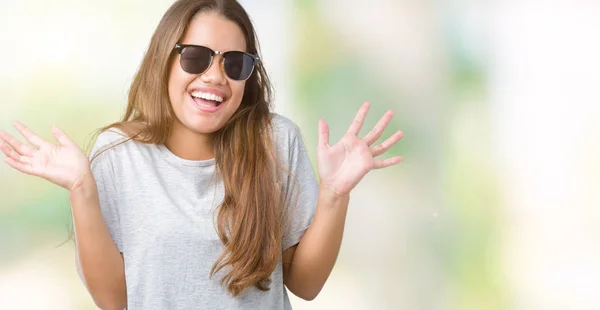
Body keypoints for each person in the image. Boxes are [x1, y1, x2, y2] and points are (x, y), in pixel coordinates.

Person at [0, 0, 403, 309]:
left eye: (234, 63)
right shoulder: (117, 155)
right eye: (195, 56)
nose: (214, 76)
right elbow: (113, 299)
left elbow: (306, 285)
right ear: (164, 60)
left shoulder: (276, 142)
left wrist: (335, 194)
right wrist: (80, 188)